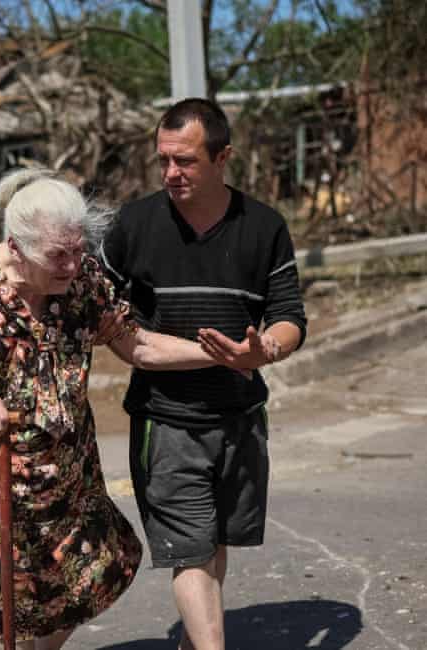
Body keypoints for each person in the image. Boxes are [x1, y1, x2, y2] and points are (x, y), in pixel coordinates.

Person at [0, 168, 230, 649]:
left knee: (94, 571)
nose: (73, 266)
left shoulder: (81, 280)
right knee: (22, 593)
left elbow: (133, 344)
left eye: (79, 251)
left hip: (72, 469)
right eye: (58, 255)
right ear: (16, 247)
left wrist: (214, 354)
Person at [99, 98, 308, 650]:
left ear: (223, 158)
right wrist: (124, 338)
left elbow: (289, 317)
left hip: (241, 417)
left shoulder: (264, 226)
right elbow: (96, 302)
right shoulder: (133, 224)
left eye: (186, 161)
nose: (171, 173)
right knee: (189, 550)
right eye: (163, 160)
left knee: (214, 543)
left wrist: (264, 350)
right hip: (166, 420)